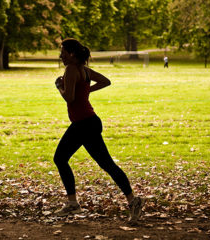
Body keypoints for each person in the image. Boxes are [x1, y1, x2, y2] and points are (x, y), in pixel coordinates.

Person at [54, 38, 144, 223]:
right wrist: (85, 92)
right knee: (107, 164)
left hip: (83, 124)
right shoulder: (84, 70)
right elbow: (105, 81)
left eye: (63, 52)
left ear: (71, 54)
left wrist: (59, 87)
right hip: (90, 122)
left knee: (60, 158)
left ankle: (73, 203)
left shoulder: (71, 69)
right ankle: (132, 201)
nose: (61, 56)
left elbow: (69, 98)